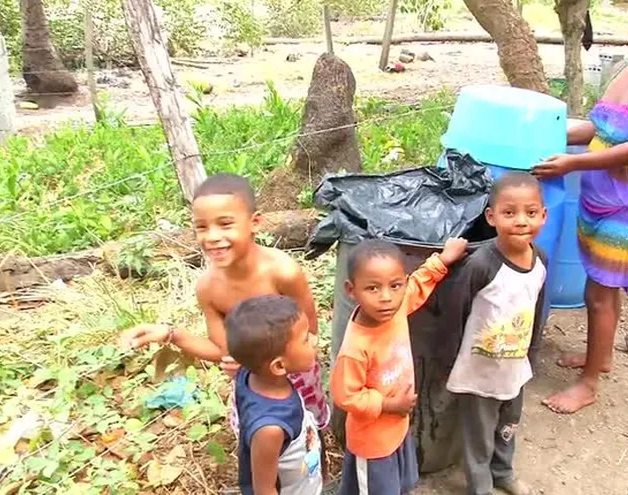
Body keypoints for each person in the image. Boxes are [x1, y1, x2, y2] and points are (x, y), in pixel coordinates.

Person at [531, 0, 628, 414]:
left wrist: (571, 163)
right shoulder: (625, 71)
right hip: (598, 197)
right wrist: (545, 130)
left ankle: (588, 385)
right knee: (600, 284)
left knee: (599, 292)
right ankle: (599, 358)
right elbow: (600, 128)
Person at [119, 173, 330, 433]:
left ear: (255, 222)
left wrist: (270, 361)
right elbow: (224, 352)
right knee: (261, 438)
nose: (212, 237)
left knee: (308, 430)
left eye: (225, 224)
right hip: (252, 385)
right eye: (201, 227)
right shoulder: (208, 288)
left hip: (296, 375)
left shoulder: (283, 272)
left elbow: (310, 334)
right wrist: (170, 334)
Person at [331, 237, 468, 495]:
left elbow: (418, 283)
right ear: (351, 290)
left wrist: (444, 259)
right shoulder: (356, 349)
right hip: (372, 440)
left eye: (395, 285)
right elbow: (346, 395)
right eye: (372, 288)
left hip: (397, 427)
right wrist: (388, 405)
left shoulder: (397, 305)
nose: (386, 297)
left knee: (396, 483)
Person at [443, 172, 548, 495]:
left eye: (531, 212)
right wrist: (450, 358)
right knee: (479, 433)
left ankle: (503, 472)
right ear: (491, 217)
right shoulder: (482, 265)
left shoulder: (540, 261)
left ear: (544, 216)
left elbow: (537, 309)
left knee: (508, 425)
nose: (521, 221)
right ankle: (480, 486)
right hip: (479, 371)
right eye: (509, 212)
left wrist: (531, 354)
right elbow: (455, 311)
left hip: (515, 366)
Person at [226, 295, 322, 495]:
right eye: (306, 339)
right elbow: (265, 489)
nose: (314, 340)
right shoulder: (270, 429)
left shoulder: (250, 373)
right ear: (278, 366)